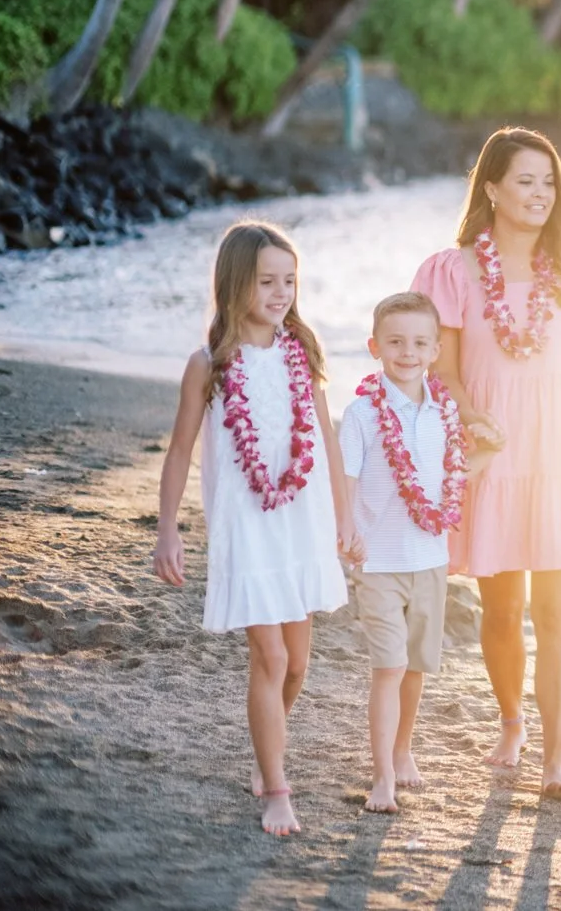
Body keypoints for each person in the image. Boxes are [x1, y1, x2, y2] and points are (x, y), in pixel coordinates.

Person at [414, 128, 561, 799]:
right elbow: (439, 371)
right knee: (501, 610)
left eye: (549, 183)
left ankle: (556, 759)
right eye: (526, 181)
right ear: (493, 189)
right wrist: (469, 418)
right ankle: (512, 719)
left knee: (558, 612)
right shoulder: (451, 272)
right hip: (494, 458)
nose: (540, 194)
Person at [152, 220, 355, 836]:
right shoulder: (209, 364)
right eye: (267, 281)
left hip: (302, 522)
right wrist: (168, 530)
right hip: (247, 526)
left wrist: (345, 515)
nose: (281, 292)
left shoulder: (304, 357)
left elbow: (326, 439)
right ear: (235, 284)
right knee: (267, 656)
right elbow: (181, 450)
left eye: (289, 281)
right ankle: (276, 786)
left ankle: (267, 746)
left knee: (296, 664)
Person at [338, 291, 489, 814]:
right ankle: (381, 777)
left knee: (417, 665)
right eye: (396, 341)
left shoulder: (444, 412)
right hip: (378, 562)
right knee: (389, 665)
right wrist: (346, 532)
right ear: (374, 345)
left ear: (435, 348)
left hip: (430, 558)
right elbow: (348, 480)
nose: (408, 351)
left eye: (420, 342)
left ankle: (403, 750)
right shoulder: (360, 414)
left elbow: (453, 474)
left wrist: (487, 447)